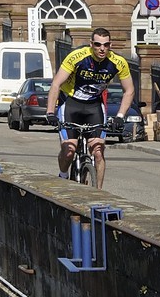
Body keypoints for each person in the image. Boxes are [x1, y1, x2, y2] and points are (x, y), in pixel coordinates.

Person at [50, 28, 134, 189]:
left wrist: (120, 116)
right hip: (71, 104)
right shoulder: (77, 57)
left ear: (110, 45)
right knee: (69, 151)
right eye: (97, 44)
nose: (102, 48)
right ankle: (63, 176)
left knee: (98, 152)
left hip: (94, 107)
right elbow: (56, 84)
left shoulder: (118, 62)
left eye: (106, 45)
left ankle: (98, 193)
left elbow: (129, 90)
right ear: (91, 44)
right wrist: (49, 112)